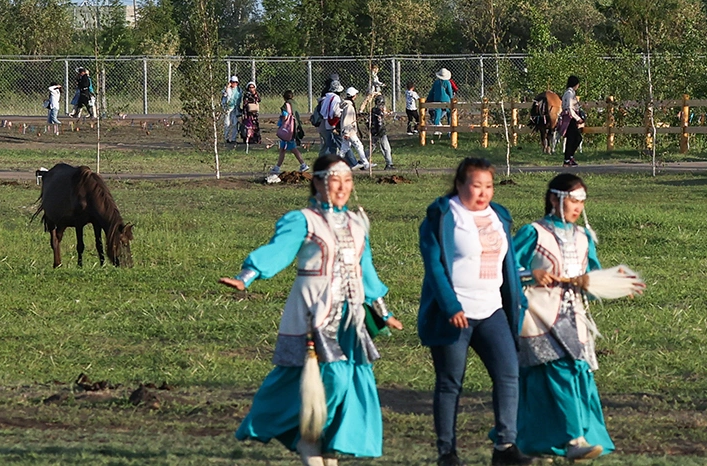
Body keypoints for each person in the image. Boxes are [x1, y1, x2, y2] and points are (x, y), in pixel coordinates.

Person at [220, 154, 404, 465]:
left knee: (348, 378)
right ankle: (307, 438)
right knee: (327, 377)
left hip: (349, 316)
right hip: (313, 312)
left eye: (348, 180)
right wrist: (246, 277)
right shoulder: (304, 220)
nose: (343, 187)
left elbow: (365, 270)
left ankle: (326, 442)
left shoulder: (357, 224)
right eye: (335, 180)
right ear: (317, 182)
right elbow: (278, 251)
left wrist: (383, 312)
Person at [417, 158, 531, 466]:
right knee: (450, 381)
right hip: (455, 313)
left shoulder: (499, 217)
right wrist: (450, 306)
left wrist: (518, 302)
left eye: (489, 186)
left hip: (492, 309)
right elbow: (435, 267)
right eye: (476, 185)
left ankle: (505, 447)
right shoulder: (441, 216)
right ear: (459, 184)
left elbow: (508, 267)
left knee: (508, 373)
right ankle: (447, 452)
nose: (483, 193)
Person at [512, 173, 614, 461]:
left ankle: (534, 442)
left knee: (570, 372)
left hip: (574, 316)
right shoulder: (533, 233)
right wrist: (530, 275)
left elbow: (592, 274)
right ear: (555, 199)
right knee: (557, 372)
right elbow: (504, 268)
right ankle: (573, 440)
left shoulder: (583, 237)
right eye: (573, 199)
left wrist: (612, 284)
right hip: (539, 315)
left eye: (582, 200)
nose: (578, 206)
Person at [270, 90, 309, 175]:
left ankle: (303, 164)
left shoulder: (286, 105)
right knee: (283, 149)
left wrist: (283, 123)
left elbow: (285, 115)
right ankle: (277, 167)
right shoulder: (294, 104)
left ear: (284, 97)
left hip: (287, 129)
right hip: (293, 128)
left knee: (293, 148)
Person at [340, 87, 368, 170]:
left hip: (347, 130)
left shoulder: (347, 105)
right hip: (349, 130)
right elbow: (347, 120)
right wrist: (347, 133)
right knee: (359, 146)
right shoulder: (349, 106)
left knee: (344, 149)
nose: (356, 96)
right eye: (355, 94)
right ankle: (365, 162)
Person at [560, 76, 584, 167]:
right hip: (570, 118)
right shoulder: (570, 94)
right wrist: (578, 118)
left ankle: (569, 158)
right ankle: (567, 159)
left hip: (569, 117)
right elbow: (570, 108)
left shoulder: (568, 93)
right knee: (575, 138)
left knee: (573, 138)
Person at [318, 82, 344, 156]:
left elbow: (323, 111)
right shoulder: (335, 98)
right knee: (331, 144)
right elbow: (336, 112)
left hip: (325, 122)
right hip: (331, 122)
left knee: (328, 144)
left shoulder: (327, 97)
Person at [369, 96, 394, 170]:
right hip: (380, 131)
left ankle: (362, 161)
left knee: (372, 147)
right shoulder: (379, 111)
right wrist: (380, 131)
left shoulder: (373, 110)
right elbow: (379, 122)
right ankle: (389, 164)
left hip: (374, 130)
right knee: (387, 148)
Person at [427, 69, 453, 134]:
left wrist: (428, 100)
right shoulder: (447, 82)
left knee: (437, 114)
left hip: (437, 100)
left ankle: (436, 129)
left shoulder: (436, 82)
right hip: (446, 100)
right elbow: (450, 92)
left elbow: (432, 92)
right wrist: (451, 99)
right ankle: (450, 130)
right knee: (449, 114)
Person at [223, 76, 243, 143]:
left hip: (235, 108)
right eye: (232, 82)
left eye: (235, 82)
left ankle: (233, 138)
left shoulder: (239, 90)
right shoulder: (227, 89)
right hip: (227, 108)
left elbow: (239, 100)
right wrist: (228, 87)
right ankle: (226, 138)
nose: (234, 83)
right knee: (227, 123)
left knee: (235, 123)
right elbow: (225, 95)